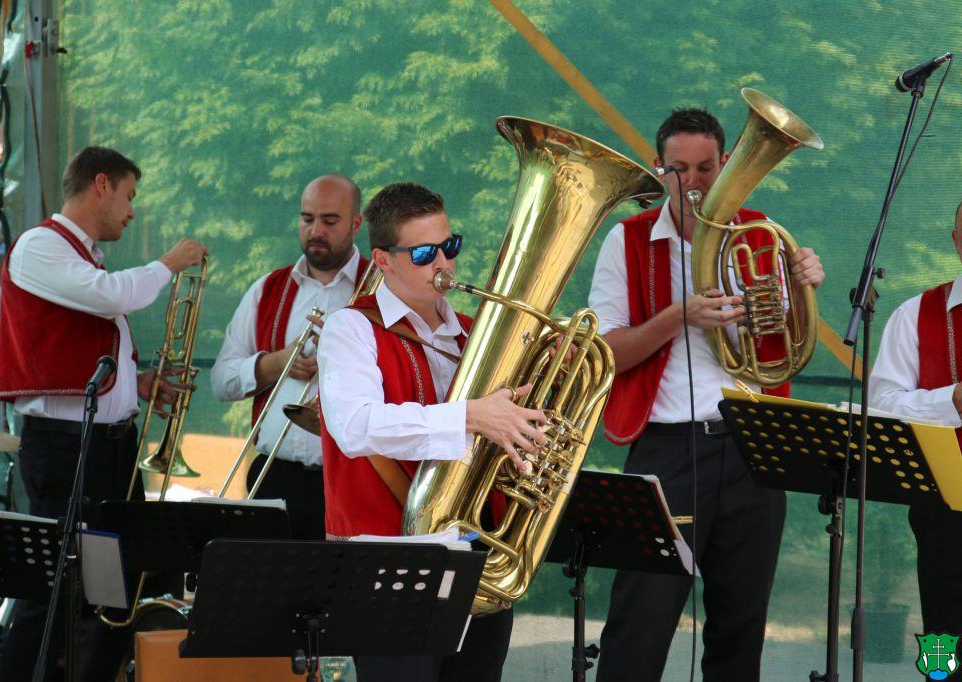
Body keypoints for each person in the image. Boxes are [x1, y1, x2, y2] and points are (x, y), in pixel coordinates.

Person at [587, 108, 826, 681]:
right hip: (668, 448)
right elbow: (606, 354)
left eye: (704, 168)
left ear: (725, 165)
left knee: (740, 625)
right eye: (678, 169)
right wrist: (678, 316)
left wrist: (800, 288)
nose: (692, 182)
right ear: (658, 168)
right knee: (641, 620)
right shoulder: (627, 240)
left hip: (753, 448)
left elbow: (787, 346)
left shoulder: (761, 233)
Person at [317, 182, 544, 681]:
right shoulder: (350, 328)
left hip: (480, 549)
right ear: (383, 260)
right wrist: (469, 416)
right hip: (386, 558)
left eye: (450, 246)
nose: (443, 263)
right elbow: (355, 426)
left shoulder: (475, 332)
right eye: (423, 254)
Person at [0, 146, 207, 682]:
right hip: (67, 447)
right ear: (102, 184)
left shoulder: (81, 254)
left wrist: (135, 386)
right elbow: (109, 297)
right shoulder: (40, 245)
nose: (131, 212)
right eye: (129, 196)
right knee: (54, 589)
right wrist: (167, 264)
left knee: (116, 591)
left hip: (105, 445)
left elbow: (83, 344)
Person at [210, 174, 370, 539]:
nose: (316, 231)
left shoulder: (381, 291)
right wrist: (277, 362)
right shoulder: (266, 289)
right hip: (274, 475)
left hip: (352, 479)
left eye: (330, 221)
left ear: (356, 224)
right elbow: (220, 382)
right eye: (307, 218)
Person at [870, 201, 962, 635]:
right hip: (945, 508)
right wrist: (952, 400)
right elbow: (882, 406)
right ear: (957, 241)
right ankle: (940, 669)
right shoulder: (915, 313)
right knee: (942, 637)